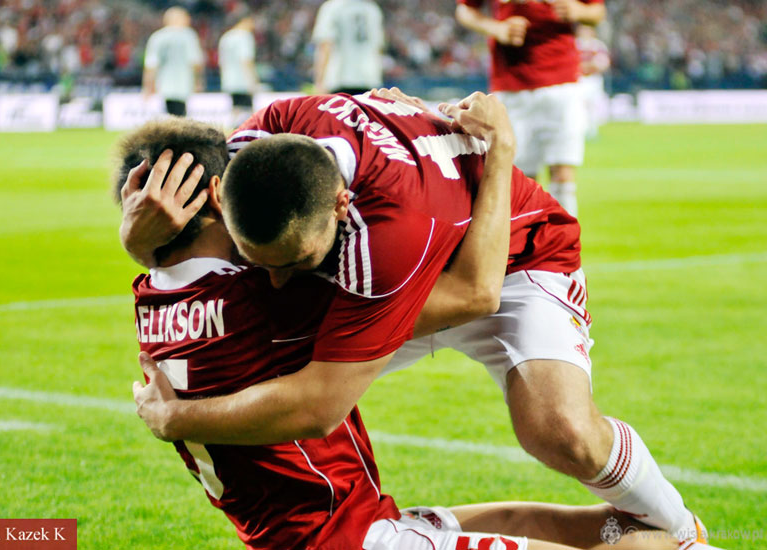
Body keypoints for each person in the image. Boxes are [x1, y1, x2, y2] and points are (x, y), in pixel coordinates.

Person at [120, 89, 708, 545]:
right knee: (269, 338)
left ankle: (681, 531)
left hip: (505, 262)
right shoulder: (268, 137)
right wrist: (141, 242)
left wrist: (501, 153)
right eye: (259, 261)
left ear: (341, 206)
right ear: (221, 194)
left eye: (294, 262)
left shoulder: (387, 234)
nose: (274, 279)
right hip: (399, 262)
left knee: (561, 432)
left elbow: (473, 294)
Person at [454, 0, 606, 217]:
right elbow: (465, 10)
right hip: (512, 85)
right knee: (520, 178)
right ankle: (525, 238)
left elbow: (597, 11)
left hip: (563, 83)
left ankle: (563, 238)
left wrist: (578, 10)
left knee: (563, 173)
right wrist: (496, 28)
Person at [142, 6, 204, 117]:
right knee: (180, 114)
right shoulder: (188, 35)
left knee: (171, 113)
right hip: (184, 83)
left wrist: (148, 86)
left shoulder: (157, 37)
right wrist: (198, 81)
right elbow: (195, 62)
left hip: (165, 84)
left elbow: (151, 65)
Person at [311, 0, 384, 95]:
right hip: (369, 79)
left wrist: (320, 81)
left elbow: (326, 45)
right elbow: (378, 47)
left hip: (340, 78)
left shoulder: (332, 7)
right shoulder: (372, 9)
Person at [218, 11, 259, 126]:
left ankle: (233, 130)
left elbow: (221, 62)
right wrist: (252, 80)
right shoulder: (244, 36)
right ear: (245, 21)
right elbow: (246, 60)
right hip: (243, 80)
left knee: (236, 108)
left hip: (229, 80)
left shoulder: (226, 37)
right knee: (247, 113)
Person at [576, 24, 611, 140]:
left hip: (594, 79)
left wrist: (591, 66)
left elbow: (604, 63)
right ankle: (581, 130)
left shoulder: (598, 45)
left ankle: (592, 130)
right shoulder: (575, 44)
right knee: (579, 105)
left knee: (593, 105)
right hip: (579, 79)